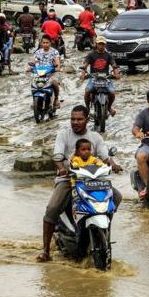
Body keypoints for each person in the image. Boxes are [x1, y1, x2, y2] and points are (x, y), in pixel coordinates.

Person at [36, 105, 122, 262]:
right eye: (73, 119)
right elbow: (58, 156)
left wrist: (114, 165)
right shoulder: (64, 134)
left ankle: (103, 230)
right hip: (69, 180)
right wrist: (62, 169)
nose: (75, 122)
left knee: (116, 196)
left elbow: (105, 157)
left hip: (94, 180)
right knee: (53, 208)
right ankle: (46, 250)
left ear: (87, 120)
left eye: (79, 119)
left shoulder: (95, 137)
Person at [80, 36, 121, 117]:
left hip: (106, 78)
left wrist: (117, 74)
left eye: (103, 44)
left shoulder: (108, 55)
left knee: (112, 92)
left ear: (105, 45)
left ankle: (109, 107)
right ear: (96, 44)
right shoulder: (91, 54)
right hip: (94, 78)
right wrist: (83, 74)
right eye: (99, 44)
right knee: (87, 91)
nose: (101, 46)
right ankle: (87, 108)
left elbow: (114, 66)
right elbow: (85, 65)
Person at [32, 35, 61, 109]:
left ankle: (56, 99)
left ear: (50, 43)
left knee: (54, 83)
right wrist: (30, 67)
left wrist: (57, 67)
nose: (45, 44)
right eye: (43, 42)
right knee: (33, 84)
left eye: (47, 42)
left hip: (51, 73)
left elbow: (57, 62)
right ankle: (34, 101)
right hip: (40, 73)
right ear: (41, 43)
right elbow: (34, 62)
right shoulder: (38, 52)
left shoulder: (55, 52)